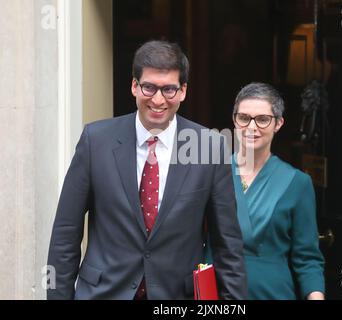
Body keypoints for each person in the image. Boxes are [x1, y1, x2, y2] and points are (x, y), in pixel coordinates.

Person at [47, 40, 247, 300]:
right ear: (134, 86)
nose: (158, 99)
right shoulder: (95, 140)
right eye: (149, 87)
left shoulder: (209, 146)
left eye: (169, 90)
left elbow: (227, 246)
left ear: (183, 91)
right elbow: (65, 235)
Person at [230, 82, 325, 300]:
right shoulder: (212, 174)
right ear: (235, 120)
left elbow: (307, 258)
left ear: (278, 123)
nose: (252, 127)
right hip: (218, 292)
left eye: (263, 119)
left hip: (272, 293)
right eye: (244, 118)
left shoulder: (297, 183)